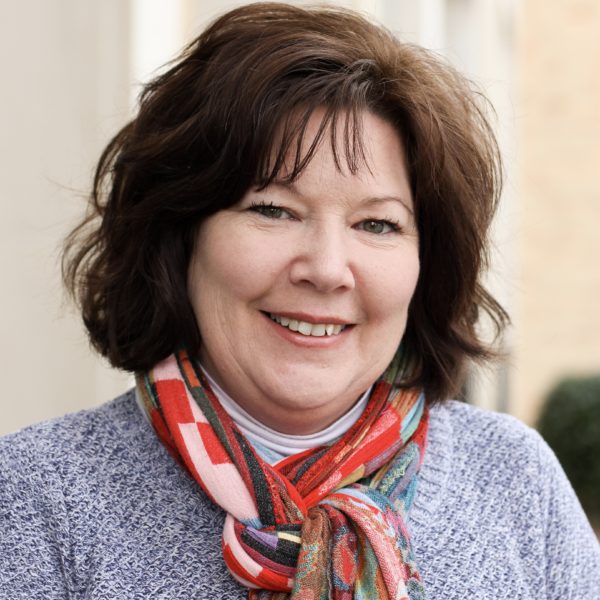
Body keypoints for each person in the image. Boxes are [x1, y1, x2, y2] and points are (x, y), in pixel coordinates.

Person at [1, 3, 598, 598]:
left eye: (377, 224)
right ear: (180, 237)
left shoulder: (514, 480)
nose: (327, 269)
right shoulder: (39, 497)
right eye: (274, 210)